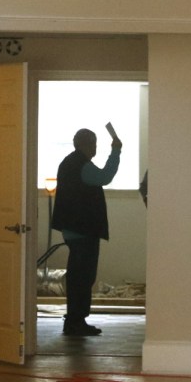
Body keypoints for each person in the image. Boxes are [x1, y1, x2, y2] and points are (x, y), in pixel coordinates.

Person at [51, 128, 122, 336]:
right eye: (94, 144)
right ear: (85, 144)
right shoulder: (82, 165)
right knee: (83, 277)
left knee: (77, 277)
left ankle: (74, 320)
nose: (95, 148)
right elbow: (105, 176)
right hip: (84, 230)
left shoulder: (68, 163)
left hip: (73, 229)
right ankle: (76, 321)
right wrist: (116, 152)